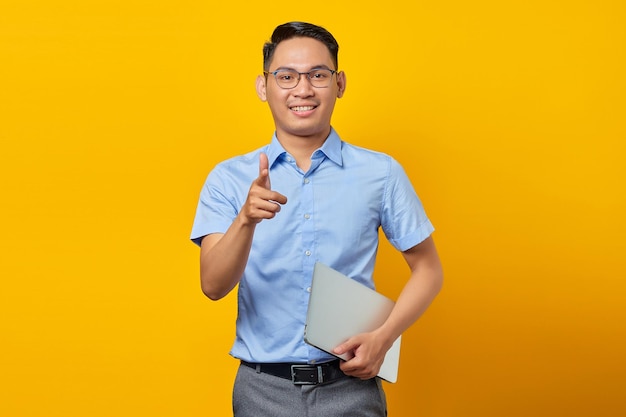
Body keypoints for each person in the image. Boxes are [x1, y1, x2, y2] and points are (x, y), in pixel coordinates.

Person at [190, 21, 443, 417]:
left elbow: (429, 269)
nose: (303, 90)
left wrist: (383, 338)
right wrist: (246, 220)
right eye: (286, 76)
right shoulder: (228, 178)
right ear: (263, 86)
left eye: (318, 75)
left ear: (339, 83)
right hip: (262, 391)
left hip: (352, 387)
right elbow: (213, 286)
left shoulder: (381, 172)